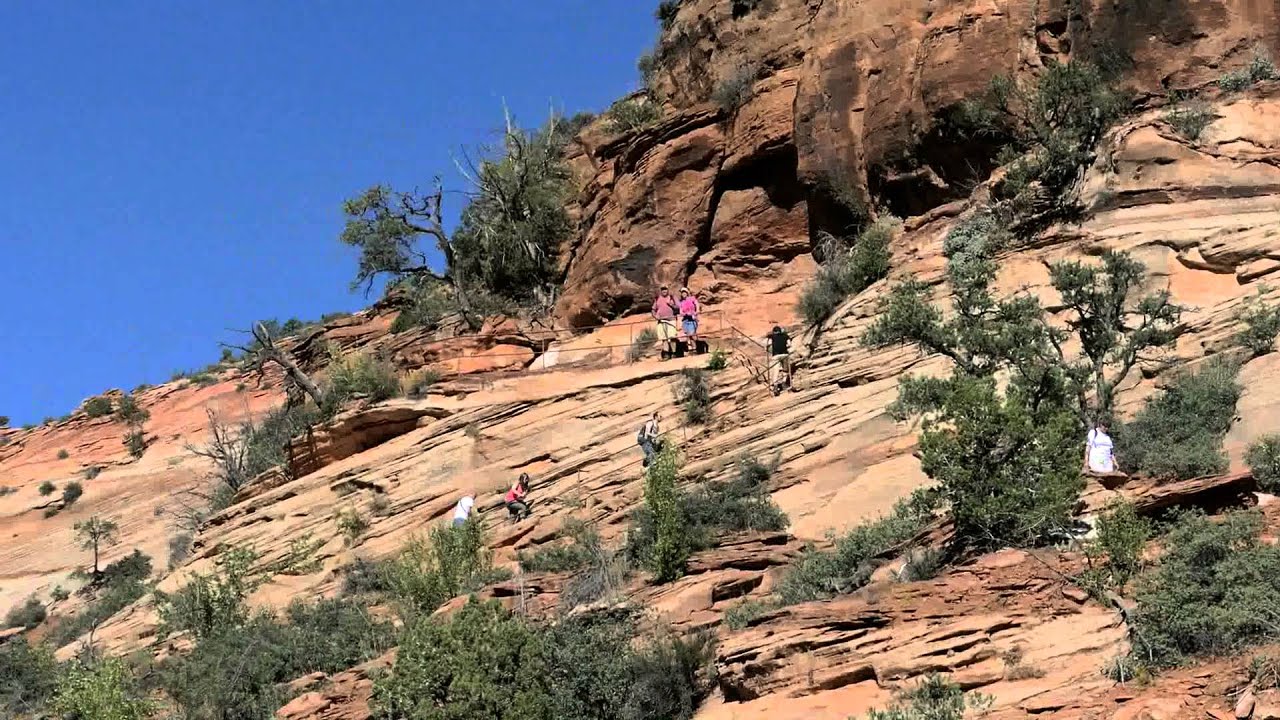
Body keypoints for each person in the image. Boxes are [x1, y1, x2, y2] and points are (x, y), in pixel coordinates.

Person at [652, 285, 680, 358]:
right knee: (664, 338)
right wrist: (655, 316)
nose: (664, 291)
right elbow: (653, 309)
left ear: (668, 290)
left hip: (671, 320)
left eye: (665, 289)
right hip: (661, 321)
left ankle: (674, 353)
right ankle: (666, 353)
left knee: (672, 337)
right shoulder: (657, 298)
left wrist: (671, 305)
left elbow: (678, 307)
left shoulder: (672, 297)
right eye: (662, 289)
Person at [766, 325, 791, 394]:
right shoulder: (785, 336)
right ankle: (784, 382)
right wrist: (784, 346)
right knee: (785, 369)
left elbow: (769, 344)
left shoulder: (772, 337)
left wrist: (769, 349)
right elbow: (789, 344)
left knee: (775, 370)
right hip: (784, 354)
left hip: (776, 355)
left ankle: (775, 386)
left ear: (774, 332)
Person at [678, 287, 701, 354]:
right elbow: (681, 311)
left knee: (691, 334)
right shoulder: (681, 302)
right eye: (682, 293)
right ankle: (690, 349)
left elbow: (697, 305)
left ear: (687, 293)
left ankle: (694, 348)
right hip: (685, 320)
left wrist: (696, 311)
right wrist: (684, 314)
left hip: (692, 319)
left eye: (684, 292)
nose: (683, 294)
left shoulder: (692, 298)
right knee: (687, 335)